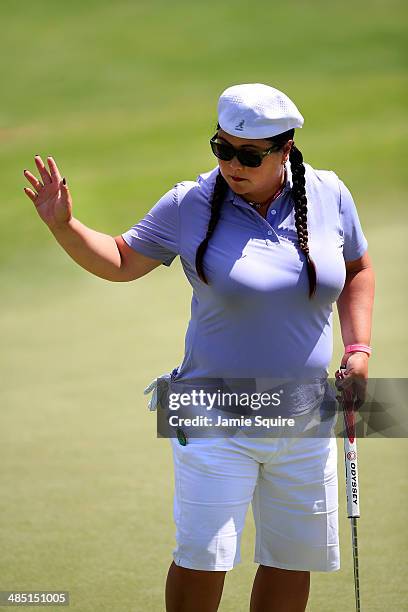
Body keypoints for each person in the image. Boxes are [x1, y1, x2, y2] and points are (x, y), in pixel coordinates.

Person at [23, 83, 375, 612]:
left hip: (303, 415)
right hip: (212, 414)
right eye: (222, 148)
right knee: (204, 557)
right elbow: (120, 260)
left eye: (249, 155)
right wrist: (65, 225)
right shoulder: (191, 202)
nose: (233, 164)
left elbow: (356, 271)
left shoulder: (330, 195)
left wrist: (359, 348)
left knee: (290, 557)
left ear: (285, 150)